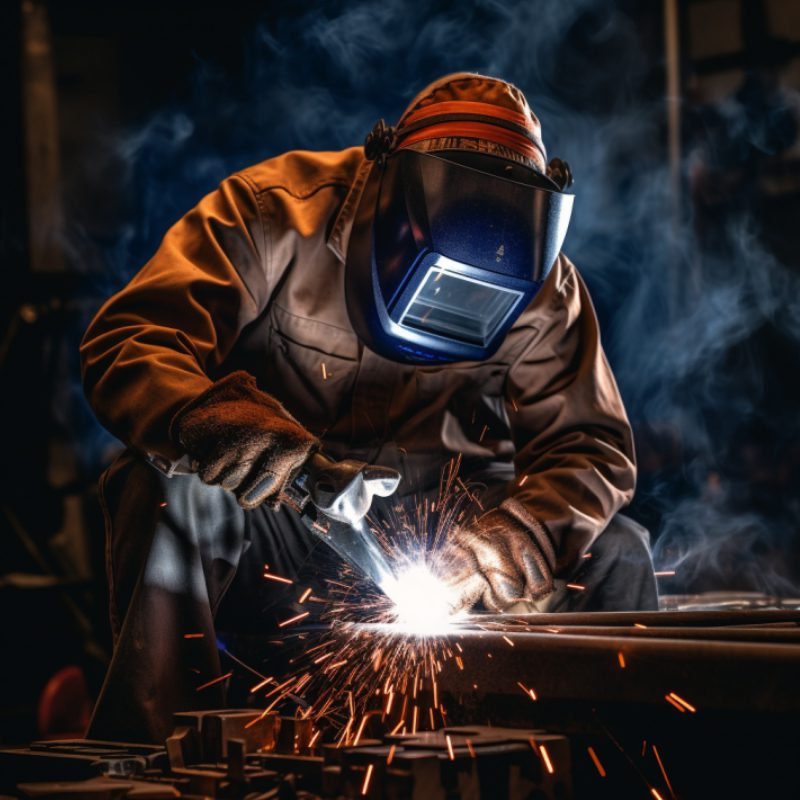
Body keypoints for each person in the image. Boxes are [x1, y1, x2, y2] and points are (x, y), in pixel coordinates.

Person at [80, 72, 657, 743]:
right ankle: (163, 755)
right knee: (161, 491)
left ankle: (607, 763)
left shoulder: (544, 283)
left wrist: (515, 537)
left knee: (617, 550)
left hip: (454, 555)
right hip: (293, 523)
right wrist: (228, 425)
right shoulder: (273, 213)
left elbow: (590, 447)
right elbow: (130, 340)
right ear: (385, 187)